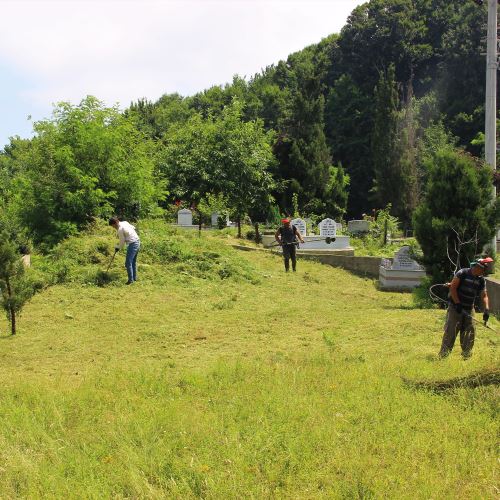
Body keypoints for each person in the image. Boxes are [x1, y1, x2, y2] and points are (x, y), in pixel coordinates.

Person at [438, 257, 493, 359]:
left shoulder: (481, 280)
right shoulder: (462, 273)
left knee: (469, 331)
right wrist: (457, 303)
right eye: (483, 269)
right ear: (477, 267)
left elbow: (484, 295)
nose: (483, 272)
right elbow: (453, 288)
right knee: (451, 331)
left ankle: (466, 356)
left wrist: (487, 309)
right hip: (455, 307)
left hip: (469, 308)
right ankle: (443, 355)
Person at [108, 216, 141, 284]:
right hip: (137, 241)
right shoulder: (125, 222)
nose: (113, 227)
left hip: (133, 244)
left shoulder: (120, 229)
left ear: (116, 222)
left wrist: (117, 247)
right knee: (133, 262)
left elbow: (122, 243)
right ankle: (134, 278)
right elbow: (134, 228)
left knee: (128, 263)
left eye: (113, 226)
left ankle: (130, 280)